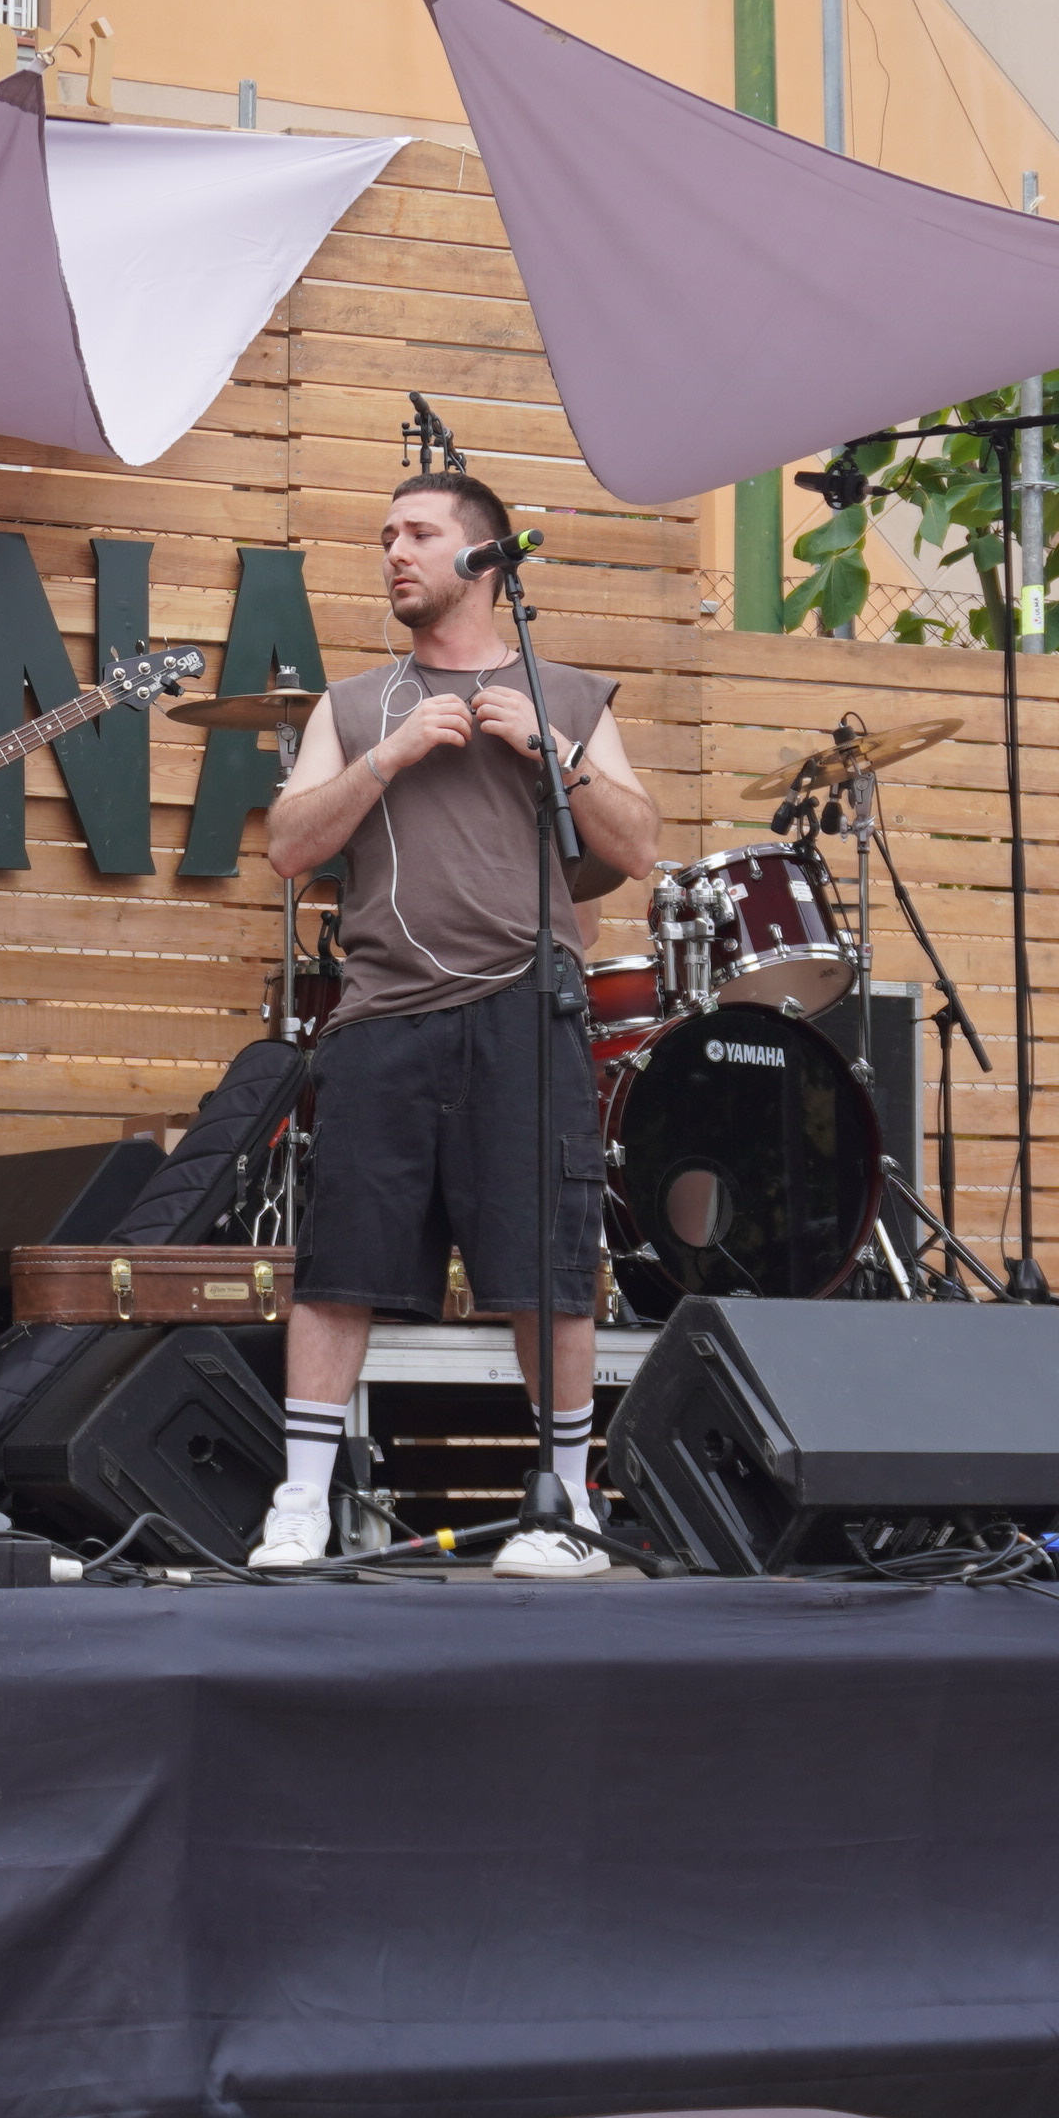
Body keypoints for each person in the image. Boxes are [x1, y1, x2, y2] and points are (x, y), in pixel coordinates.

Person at [246, 472, 658, 1577]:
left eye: (419, 534)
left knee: (543, 1270)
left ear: (483, 559)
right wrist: (387, 757)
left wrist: (555, 752)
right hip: (382, 1015)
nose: (394, 552)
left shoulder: (567, 695)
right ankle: (299, 1505)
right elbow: (287, 846)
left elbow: (637, 846)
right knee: (340, 1267)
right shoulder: (351, 706)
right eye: (386, 535)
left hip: (527, 1008)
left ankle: (567, 1510)